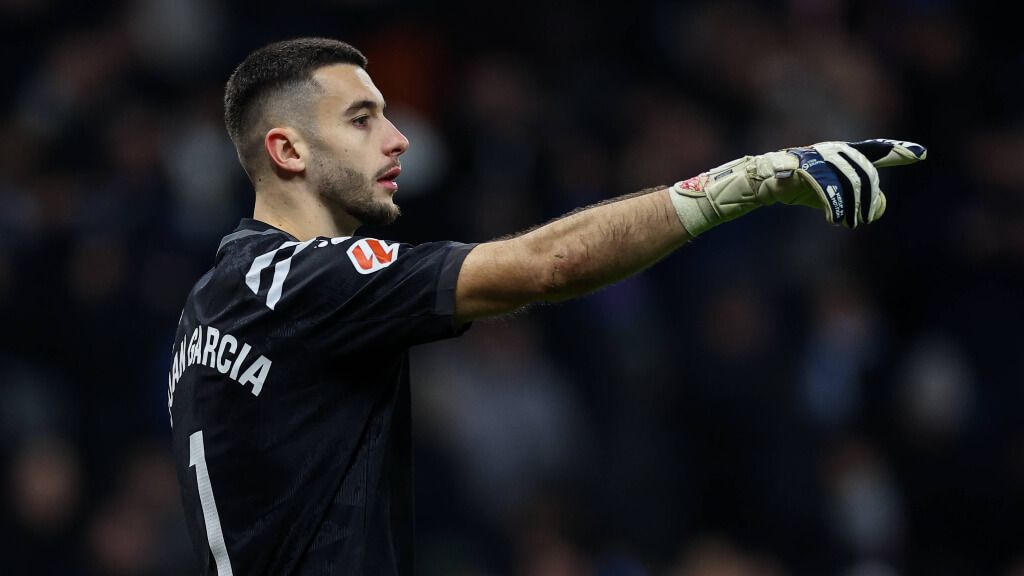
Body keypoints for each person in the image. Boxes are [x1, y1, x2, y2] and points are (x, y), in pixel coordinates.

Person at [167, 37, 925, 575]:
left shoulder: (208, 306)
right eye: (362, 119)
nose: (397, 139)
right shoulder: (305, 280)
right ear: (288, 151)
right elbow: (548, 265)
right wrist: (747, 181)